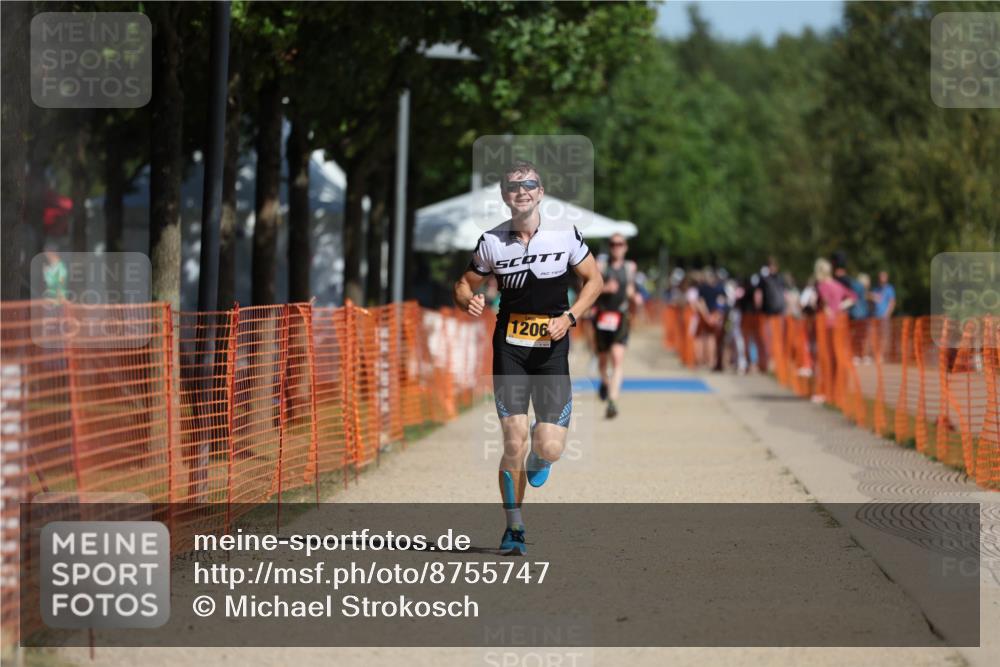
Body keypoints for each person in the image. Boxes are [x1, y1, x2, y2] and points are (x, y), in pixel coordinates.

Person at [453, 160, 603, 556]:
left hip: (552, 349)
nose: (522, 191)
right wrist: (470, 300)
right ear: (505, 197)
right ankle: (514, 528)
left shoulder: (564, 235)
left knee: (548, 446)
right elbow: (462, 285)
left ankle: (543, 456)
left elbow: (595, 280)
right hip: (510, 348)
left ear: (540, 192)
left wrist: (570, 317)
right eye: (513, 187)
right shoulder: (491, 242)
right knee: (514, 440)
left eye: (529, 185)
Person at [595, 233, 640, 419]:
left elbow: (629, 288)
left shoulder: (630, 267)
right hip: (602, 316)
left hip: (620, 317)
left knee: (617, 358)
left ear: (625, 247)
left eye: (620, 244)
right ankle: (605, 382)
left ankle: (613, 401)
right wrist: (605, 288)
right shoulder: (601, 266)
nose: (616, 247)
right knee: (603, 360)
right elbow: (589, 289)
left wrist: (633, 296)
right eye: (613, 244)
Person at [870, 270, 897, 357]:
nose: (881, 279)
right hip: (875, 316)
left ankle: (882, 354)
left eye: (883, 277)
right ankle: (876, 353)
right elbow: (870, 301)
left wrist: (887, 314)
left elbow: (892, 303)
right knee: (875, 336)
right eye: (880, 277)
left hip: (884, 317)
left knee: (884, 336)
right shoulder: (875, 289)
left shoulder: (890, 289)